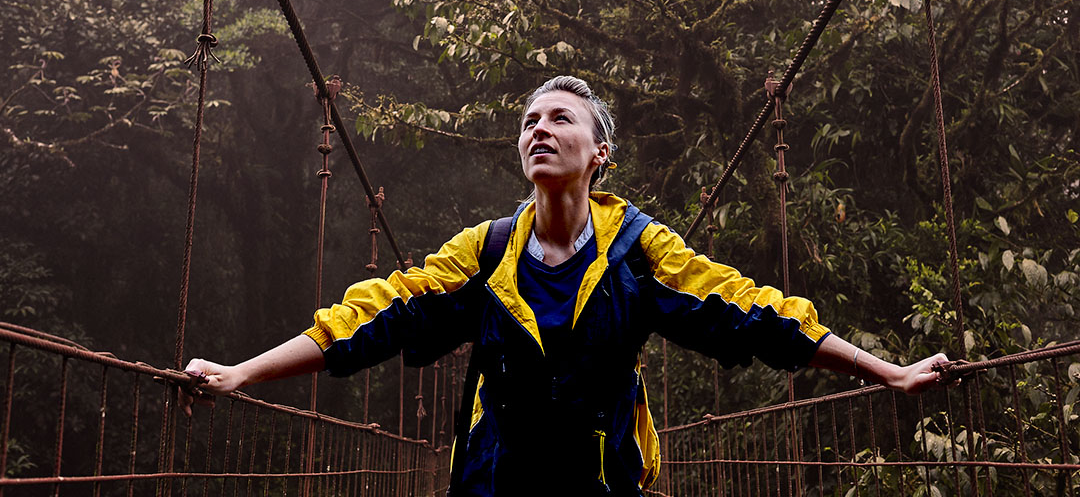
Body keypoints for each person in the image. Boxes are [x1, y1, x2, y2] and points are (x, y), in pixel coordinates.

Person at [183, 75, 947, 496]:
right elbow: (376, 315)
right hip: (492, 486)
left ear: (600, 153)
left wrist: (887, 372)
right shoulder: (485, 252)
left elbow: (753, 313)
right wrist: (244, 372)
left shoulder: (639, 252)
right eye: (529, 121)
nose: (538, 129)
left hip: (600, 487)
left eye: (560, 119)